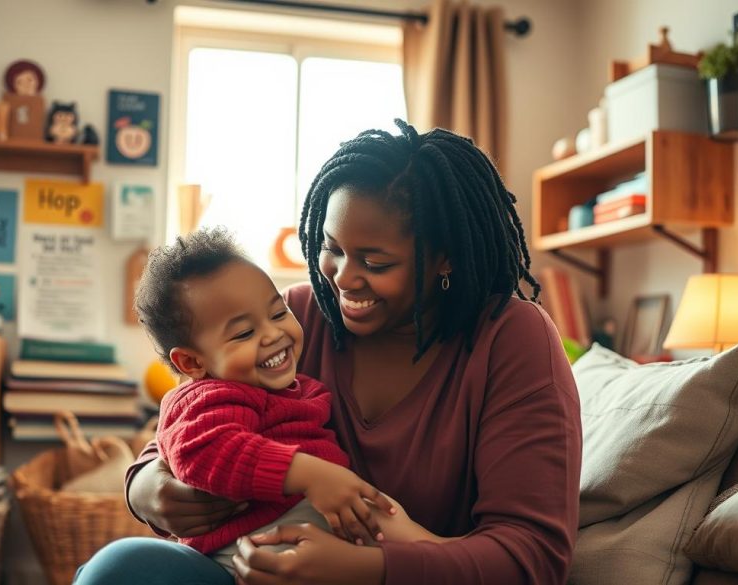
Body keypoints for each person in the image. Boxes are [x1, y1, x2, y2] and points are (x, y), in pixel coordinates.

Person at [75, 120, 582, 585]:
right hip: (254, 567)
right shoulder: (295, 318)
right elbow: (189, 422)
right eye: (331, 247)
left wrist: (368, 570)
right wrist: (148, 491)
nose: (341, 278)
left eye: (374, 261)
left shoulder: (511, 340)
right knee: (119, 569)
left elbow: (532, 556)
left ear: (444, 257)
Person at [133, 227, 429, 576]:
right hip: (254, 540)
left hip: (301, 524)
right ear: (193, 363)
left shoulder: (284, 386)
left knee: (374, 510)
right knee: (370, 509)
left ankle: (445, 554)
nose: (273, 334)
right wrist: (310, 475)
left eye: (278, 313)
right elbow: (202, 449)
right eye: (244, 333)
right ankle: (442, 553)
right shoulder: (210, 395)